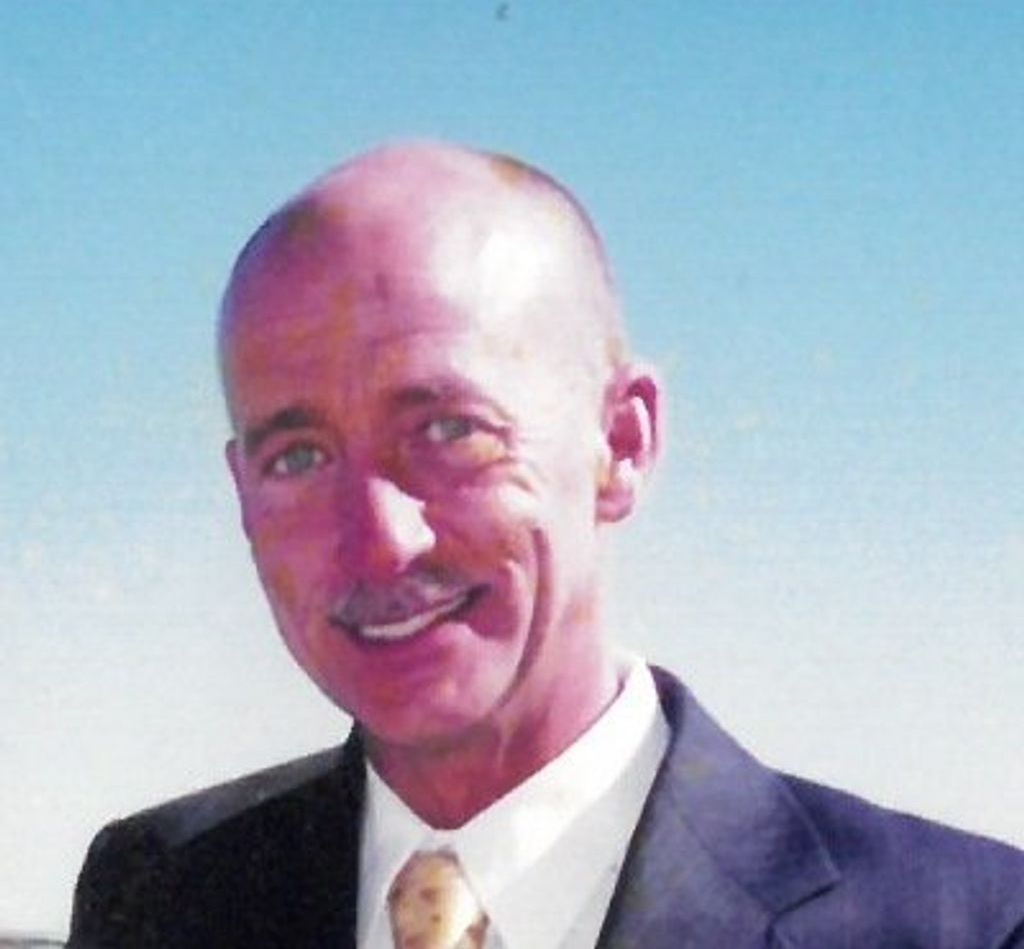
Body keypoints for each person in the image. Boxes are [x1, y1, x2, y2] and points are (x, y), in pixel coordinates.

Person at [69, 142, 1024, 948]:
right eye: (300, 457)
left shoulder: (968, 927)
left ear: (621, 443)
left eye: (447, 431)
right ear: (242, 493)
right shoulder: (157, 897)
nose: (379, 543)